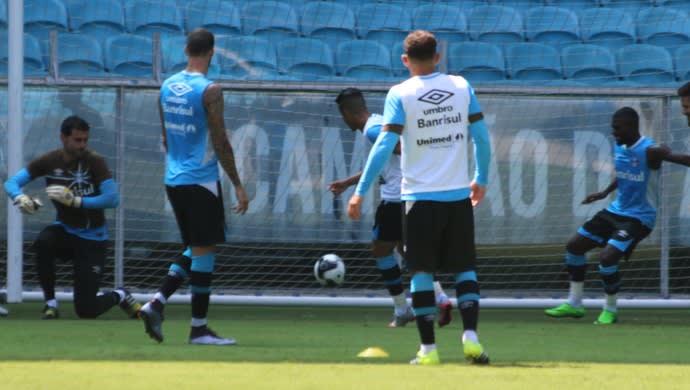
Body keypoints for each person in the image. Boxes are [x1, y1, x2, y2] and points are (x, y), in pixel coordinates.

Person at [347, 30, 492, 365]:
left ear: (405, 60)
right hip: (457, 196)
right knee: (465, 270)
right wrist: (480, 179)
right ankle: (471, 336)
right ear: (438, 56)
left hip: (419, 199)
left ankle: (428, 350)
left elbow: (384, 146)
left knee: (421, 273)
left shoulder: (401, 93)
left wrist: (360, 191)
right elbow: (481, 138)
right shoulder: (461, 86)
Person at [138, 28, 249, 345]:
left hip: (174, 178)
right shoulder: (210, 90)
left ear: (186, 50)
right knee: (205, 251)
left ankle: (156, 303)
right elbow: (220, 141)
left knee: (196, 247)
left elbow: (165, 136)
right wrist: (239, 185)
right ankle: (198, 329)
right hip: (200, 179)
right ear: (211, 52)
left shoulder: (168, 85)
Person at [545, 107, 690, 324]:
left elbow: (680, 158)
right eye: (613, 128)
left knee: (607, 256)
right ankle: (574, 304)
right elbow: (624, 173)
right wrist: (604, 192)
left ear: (632, 127)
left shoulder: (650, 150)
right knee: (574, 246)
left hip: (639, 218)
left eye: (617, 128)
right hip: (615, 210)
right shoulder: (619, 145)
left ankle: (610, 310)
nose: (614, 133)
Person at [329, 87, 453, 329]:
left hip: (395, 201)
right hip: (410, 198)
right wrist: (347, 183)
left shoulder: (374, 130)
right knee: (407, 251)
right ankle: (441, 298)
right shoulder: (378, 123)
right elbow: (382, 161)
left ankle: (402, 308)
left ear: (346, 112)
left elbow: (401, 149)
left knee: (380, 251)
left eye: (342, 115)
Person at [3, 115, 141, 319]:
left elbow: (113, 199)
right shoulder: (49, 161)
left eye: (85, 140)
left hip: (93, 239)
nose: (82, 145)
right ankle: (50, 303)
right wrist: (20, 197)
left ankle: (120, 295)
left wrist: (77, 201)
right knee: (44, 242)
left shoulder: (95, 161)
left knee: (86, 310)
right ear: (63, 138)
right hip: (66, 231)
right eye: (78, 140)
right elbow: (11, 183)